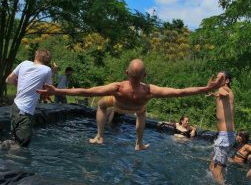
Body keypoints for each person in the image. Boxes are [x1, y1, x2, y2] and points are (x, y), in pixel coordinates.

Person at [37, 59, 225, 151]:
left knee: (102, 104)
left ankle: (99, 136)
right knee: (142, 114)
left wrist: (57, 91)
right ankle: (139, 143)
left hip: (117, 102)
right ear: (145, 76)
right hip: (137, 108)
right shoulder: (150, 90)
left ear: (126, 72)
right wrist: (205, 88)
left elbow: (86, 91)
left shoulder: (117, 87)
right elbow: (181, 92)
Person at [5, 49, 53, 147]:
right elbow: (49, 90)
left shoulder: (24, 63)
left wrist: (21, 84)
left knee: (15, 139)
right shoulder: (47, 70)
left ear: (36, 56)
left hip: (15, 107)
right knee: (21, 145)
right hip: (25, 111)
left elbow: (8, 80)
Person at [207, 71, 235, 185]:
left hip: (225, 136)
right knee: (212, 166)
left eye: (220, 78)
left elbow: (224, 93)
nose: (218, 80)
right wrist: (213, 92)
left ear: (227, 81)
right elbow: (218, 93)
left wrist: (214, 87)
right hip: (224, 135)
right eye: (217, 77)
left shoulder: (226, 90)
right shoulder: (221, 91)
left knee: (216, 170)